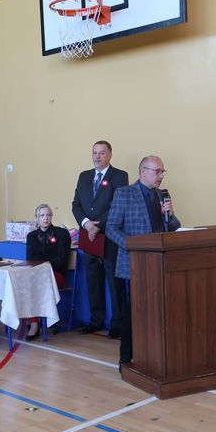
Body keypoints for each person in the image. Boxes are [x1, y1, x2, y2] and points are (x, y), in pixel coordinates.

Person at [106, 155, 181, 369]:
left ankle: (154, 355)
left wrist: (170, 215)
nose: (161, 176)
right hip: (134, 265)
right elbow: (111, 228)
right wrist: (132, 245)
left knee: (158, 311)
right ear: (142, 172)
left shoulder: (162, 195)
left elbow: (173, 227)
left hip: (159, 264)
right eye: (157, 171)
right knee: (132, 313)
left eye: (162, 172)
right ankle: (126, 359)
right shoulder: (125, 194)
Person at [72, 140, 129, 337]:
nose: (97, 156)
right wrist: (86, 223)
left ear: (110, 155)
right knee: (93, 281)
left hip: (110, 236)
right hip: (89, 237)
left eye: (102, 153)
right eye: (94, 153)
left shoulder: (119, 176)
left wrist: (97, 226)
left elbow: (117, 206)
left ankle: (117, 325)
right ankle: (96, 320)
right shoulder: (84, 176)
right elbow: (76, 204)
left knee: (114, 282)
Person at [25, 203, 71, 341]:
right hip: (38, 275)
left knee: (34, 282)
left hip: (56, 274)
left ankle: (34, 324)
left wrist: (44, 266)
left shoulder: (62, 234)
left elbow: (61, 259)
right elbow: (30, 259)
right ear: (37, 218)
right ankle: (34, 322)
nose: (45, 218)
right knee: (27, 281)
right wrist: (41, 266)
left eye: (48, 215)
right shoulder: (31, 236)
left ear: (51, 217)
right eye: (42, 215)